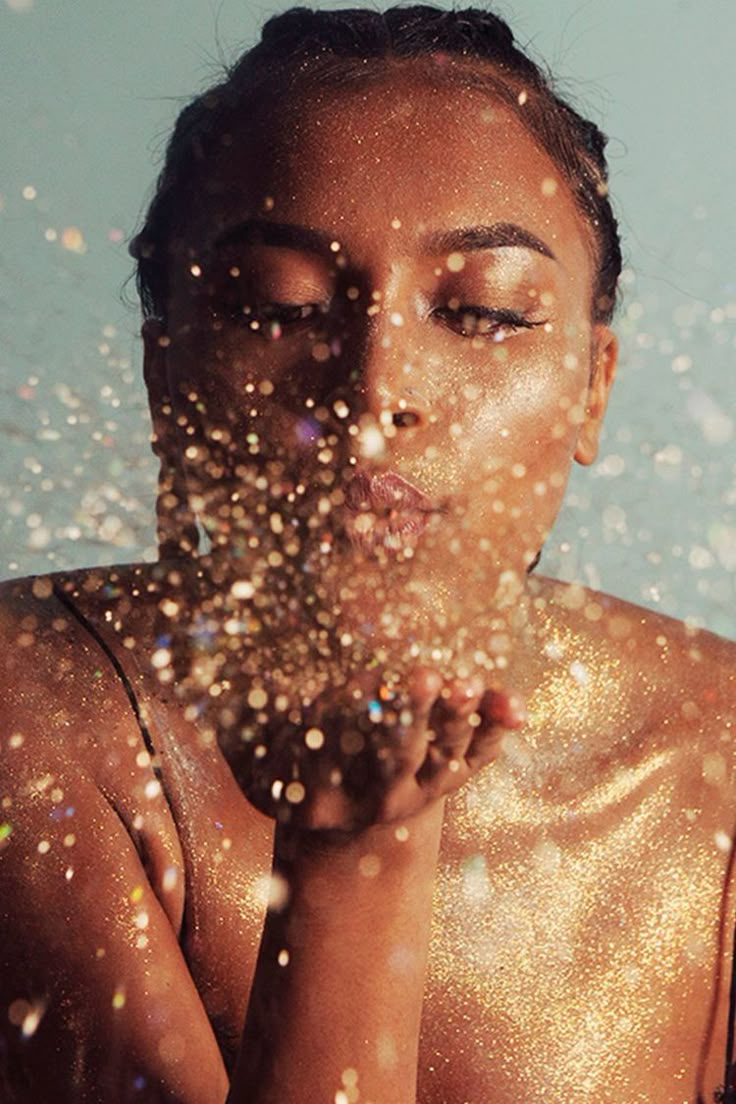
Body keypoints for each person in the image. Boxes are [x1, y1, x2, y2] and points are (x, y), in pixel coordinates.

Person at [1, 5, 734, 1102]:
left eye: (481, 313)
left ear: (593, 384)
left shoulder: (715, 750)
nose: (373, 388)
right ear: (165, 382)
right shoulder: (30, 708)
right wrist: (354, 855)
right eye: (278, 307)